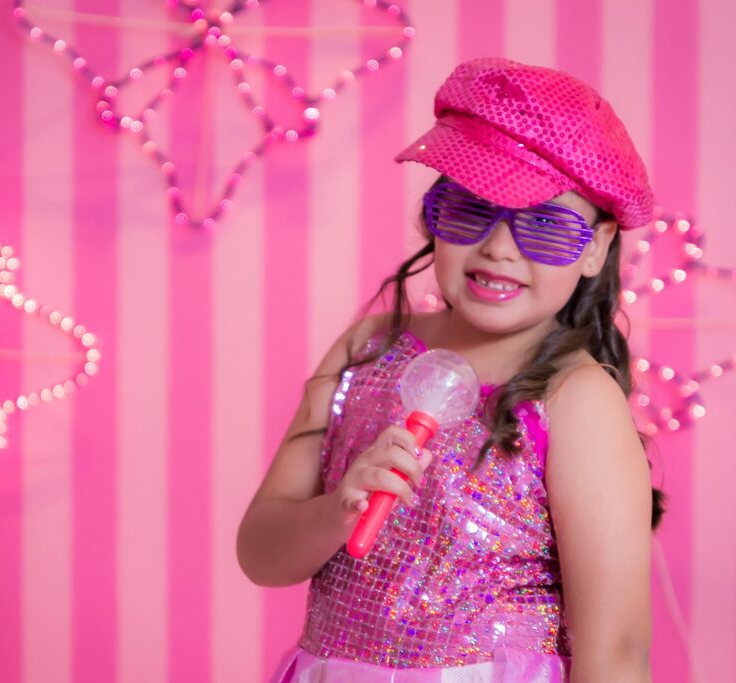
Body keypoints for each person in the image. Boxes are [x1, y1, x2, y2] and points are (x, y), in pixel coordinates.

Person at [237, 57, 664, 683]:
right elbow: (260, 554)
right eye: (468, 210)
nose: (498, 247)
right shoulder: (367, 350)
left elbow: (617, 647)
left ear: (596, 248)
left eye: (544, 226)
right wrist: (338, 512)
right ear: (431, 215)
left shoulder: (576, 398)